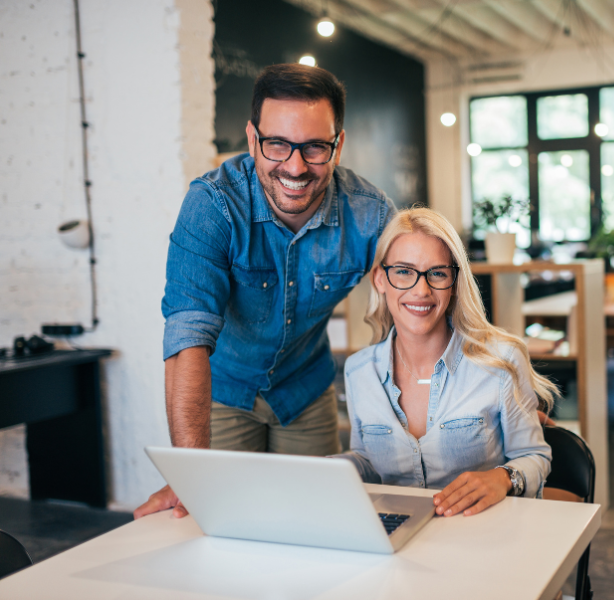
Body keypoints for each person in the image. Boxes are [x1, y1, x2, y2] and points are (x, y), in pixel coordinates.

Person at [134, 64, 396, 519]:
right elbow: (186, 336)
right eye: (277, 144)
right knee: (220, 523)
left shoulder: (369, 214)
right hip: (222, 391)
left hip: (305, 390)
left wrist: (498, 389)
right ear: (253, 139)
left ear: (338, 144)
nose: (295, 167)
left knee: (317, 522)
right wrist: (191, 473)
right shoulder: (212, 205)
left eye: (315, 147)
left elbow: (427, 302)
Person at [336, 208, 557, 517]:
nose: (421, 290)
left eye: (437, 273)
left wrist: (502, 478)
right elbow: (368, 463)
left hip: (480, 538)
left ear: (454, 282)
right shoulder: (359, 371)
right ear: (380, 280)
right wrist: (332, 468)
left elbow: (534, 456)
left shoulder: (501, 361)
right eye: (403, 271)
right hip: (397, 537)